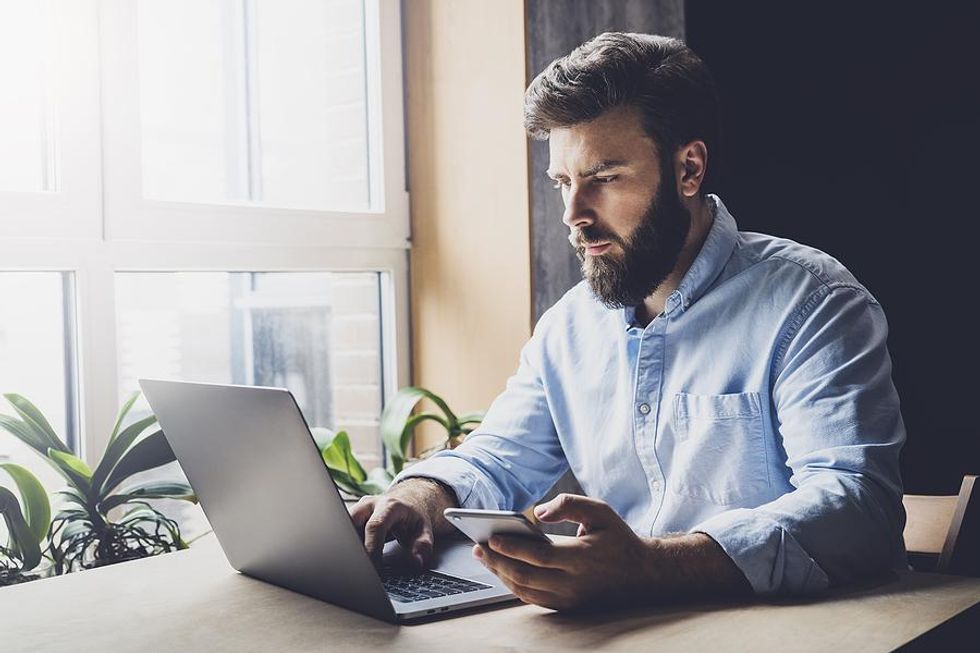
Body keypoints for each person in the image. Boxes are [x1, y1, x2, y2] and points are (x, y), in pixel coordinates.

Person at [350, 32, 907, 611]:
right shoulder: (567, 329)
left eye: (605, 178)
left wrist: (654, 567)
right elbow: (497, 458)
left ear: (688, 169)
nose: (574, 216)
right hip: (630, 630)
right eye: (563, 183)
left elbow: (856, 504)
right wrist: (419, 494)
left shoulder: (812, 303)